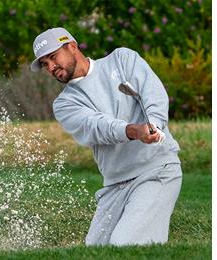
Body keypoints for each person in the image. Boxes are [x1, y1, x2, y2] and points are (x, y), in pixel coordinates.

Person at [30, 27, 182, 246]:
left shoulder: (122, 59)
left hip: (156, 170)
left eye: (53, 57)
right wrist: (133, 131)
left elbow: (153, 93)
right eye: (45, 64)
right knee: (96, 250)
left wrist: (154, 124)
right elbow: (97, 127)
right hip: (114, 185)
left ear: (72, 47)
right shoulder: (64, 104)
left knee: (124, 246)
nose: (52, 67)